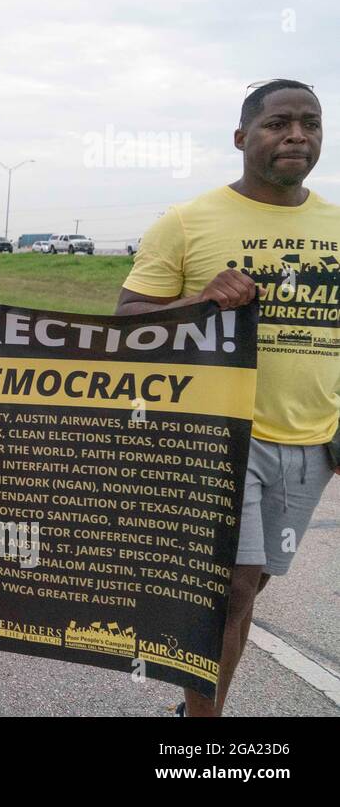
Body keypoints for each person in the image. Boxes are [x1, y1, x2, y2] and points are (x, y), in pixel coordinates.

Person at [117, 78, 340, 718]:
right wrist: (202, 300)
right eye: (278, 123)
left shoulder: (333, 223)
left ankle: (194, 711)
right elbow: (128, 319)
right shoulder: (188, 222)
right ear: (242, 137)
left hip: (310, 443)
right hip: (219, 435)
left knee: (250, 588)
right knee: (231, 585)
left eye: (310, 123)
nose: (296, 134)